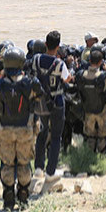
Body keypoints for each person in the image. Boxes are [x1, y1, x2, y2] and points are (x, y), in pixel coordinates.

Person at [0, 47, 39, 210]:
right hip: (24, 128)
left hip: (5, 128)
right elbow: (40, 95)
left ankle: (9, 197)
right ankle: (24, 195)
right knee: (24, 163)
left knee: (7, 163)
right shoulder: (29, 82)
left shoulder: (0, 83)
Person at [31, 31, 72, 194]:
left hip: (40, 103)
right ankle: (50, 172)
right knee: (56, 137)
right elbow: (67, 79)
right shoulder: (59, 64)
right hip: (56, 102)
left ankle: (38, 168)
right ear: (58, 46)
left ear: (46, 44)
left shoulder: (36, 59)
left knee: (42, 133)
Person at [73, 49, 106, 154]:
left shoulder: (81, 75)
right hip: (102, 109)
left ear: (89, 61)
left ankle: (90, 156)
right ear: (100, 62)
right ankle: (101, 156)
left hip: (88, 109)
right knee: (103, 135)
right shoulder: (103, 76)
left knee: (90, 135)